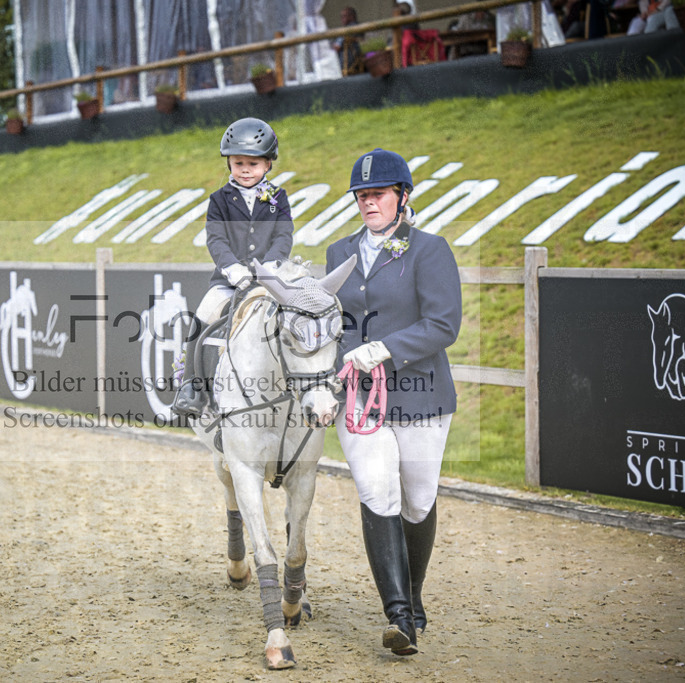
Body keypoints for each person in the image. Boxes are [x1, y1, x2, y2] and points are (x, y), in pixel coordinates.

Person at [324, 149, 462, 656]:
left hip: (421, 392)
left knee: (417, 499)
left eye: (377, 194)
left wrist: (385, 348)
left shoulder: (429, 250)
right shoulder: (339, 251)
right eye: (361, 196)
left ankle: (415, 597)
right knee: (376, 489)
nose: (367, 203)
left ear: (403, 197)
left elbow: (444, 323)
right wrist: (331, 377)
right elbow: (330, 325)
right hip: (359, 399)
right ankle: (399, 616)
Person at [171, 117, 294, 417]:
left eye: (253, 163)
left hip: (270, 279)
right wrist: (232, 269)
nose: (246, 170)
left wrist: (270, 266)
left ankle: (301, 384)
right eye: (239, 163)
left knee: (296, 318)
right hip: (229, 281)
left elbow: (284, 235)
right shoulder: (219, 200)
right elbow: (216, 239)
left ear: (268, 165)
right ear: (229, 165)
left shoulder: (278, 199)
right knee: (200, 317)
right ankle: (192, 386)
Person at [332, 6, 365, 75]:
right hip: (358, 62)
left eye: (344, 16)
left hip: (347, 63)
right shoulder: (360, 27)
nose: (342, 19)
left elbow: (336, 47)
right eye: (341, 17)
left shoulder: (348, 29)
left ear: (351, 16)